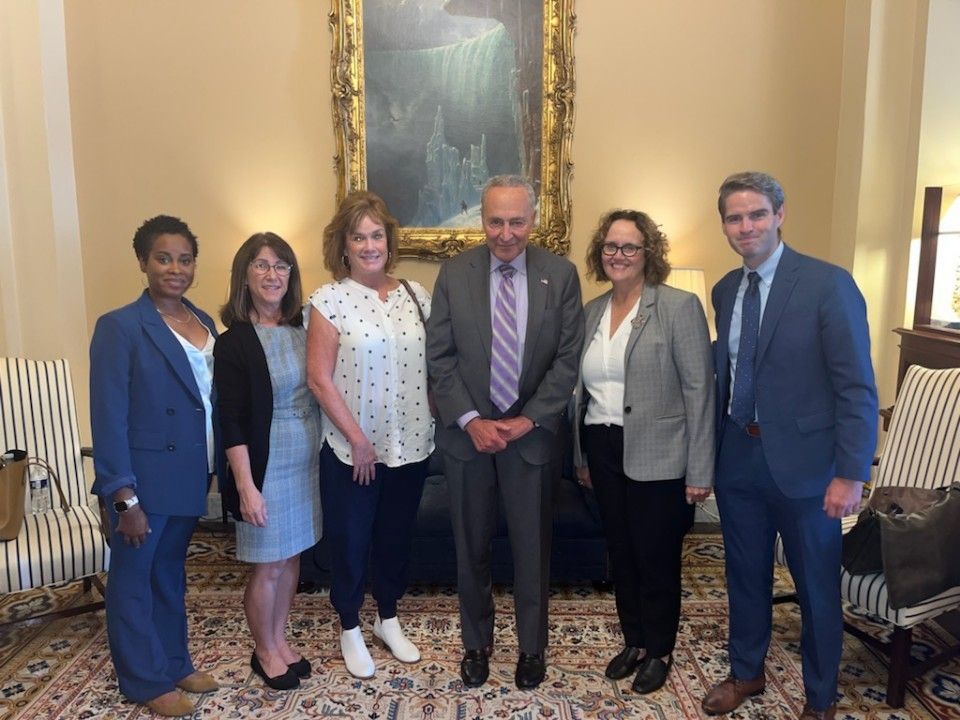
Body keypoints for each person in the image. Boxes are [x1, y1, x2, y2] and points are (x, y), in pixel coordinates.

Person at [701, 172, 878, 720]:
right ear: (725, 225)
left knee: (817, 589)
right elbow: (727, 375)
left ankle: (819, 700)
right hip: (739, 460)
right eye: (734, 217)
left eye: (756, 214)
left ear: (780, 214)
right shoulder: (727, 289)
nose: (745, 226)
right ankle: (747, 673)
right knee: (744, 576)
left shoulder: (828, 284)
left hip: (807, 470)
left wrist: (850, 474)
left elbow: (856, 386)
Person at [425, 175, 584, 690]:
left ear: (532, 221)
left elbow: (566, 359)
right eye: (496, 220)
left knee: (531, 549)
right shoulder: (453, 274)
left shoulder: (560, 275)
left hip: (530, 440)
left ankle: (532, 650)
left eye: (517, 221)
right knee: (469, 547)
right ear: (482, 220)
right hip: (468, 441)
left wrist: (527, 419)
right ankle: (477, 644)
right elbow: (440, 358)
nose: (506, 232)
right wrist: (472, 421)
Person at [572, 209, 714, 694]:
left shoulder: (678, 307)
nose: (619, 255)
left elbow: (700, 392)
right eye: (611, 246)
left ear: (648, 253)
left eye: (630, 247)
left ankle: (660, 649)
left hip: (661, 454)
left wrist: (700, 468)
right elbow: (580, 394)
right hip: (604, 447)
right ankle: (633, 641)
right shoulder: (591, 312)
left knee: (656, 558)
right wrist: (582, 457)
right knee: (621, 553)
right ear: (600, 252)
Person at [89, 215, 219, 717]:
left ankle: (174, 661)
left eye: (185, 259)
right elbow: (109, 416)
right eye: (163, 258)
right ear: (143, 262)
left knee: (169, 574)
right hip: (142, 481)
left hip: (189, 474)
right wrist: (122, 495)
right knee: (133, 579)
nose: (175, 268)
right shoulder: (120, 326)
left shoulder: (205, 320)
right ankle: (144, 681)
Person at [306, 191, 433, 679]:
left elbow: (431, 368)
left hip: (413, 446)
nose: (368, 244)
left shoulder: (416, 295)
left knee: (395, 539)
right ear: (343, 244)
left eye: (376, 234)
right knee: (352, 539)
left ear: (389, 240)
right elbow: (319, 378)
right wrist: (358, 440)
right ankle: (350, 626)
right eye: (357, 236)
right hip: (352, 451)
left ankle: (388, 618)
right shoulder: (327, 300)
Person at [214, 233, 322, 691]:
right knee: (268, 565)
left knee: (292, 556)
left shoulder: (305, 328)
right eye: (261, 265)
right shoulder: (234, 342)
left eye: (281, 266)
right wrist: (245, 486)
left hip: (306, 460)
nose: (272, 275)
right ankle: (263, 651)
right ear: (244, 276)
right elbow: (231, 421)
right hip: (265, 464)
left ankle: (278, 640)